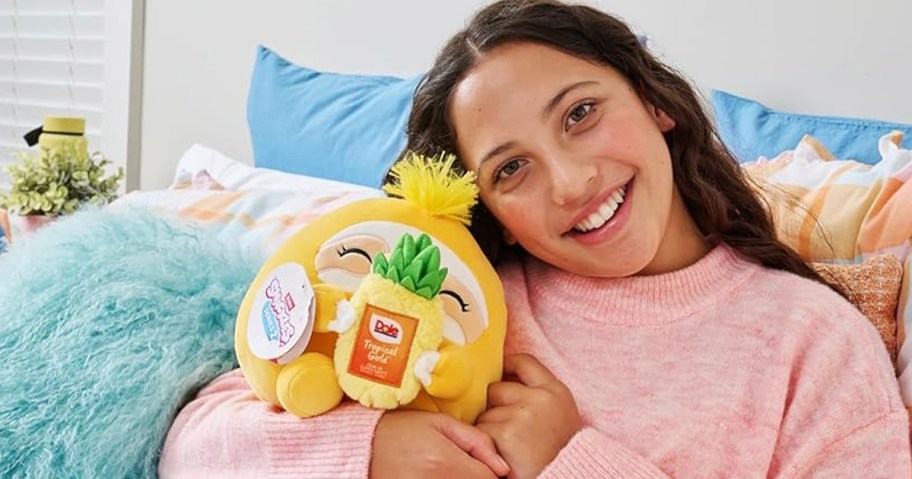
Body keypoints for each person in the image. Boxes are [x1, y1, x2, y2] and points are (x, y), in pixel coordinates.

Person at [159, 1, 912, 477]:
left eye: (580, 113)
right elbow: (194, 447)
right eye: (511, 167)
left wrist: (571, 458)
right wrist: (366, 452)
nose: (569, 181)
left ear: (653, 101)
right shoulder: (455, 295)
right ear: (484, 204)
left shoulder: (811, 342)